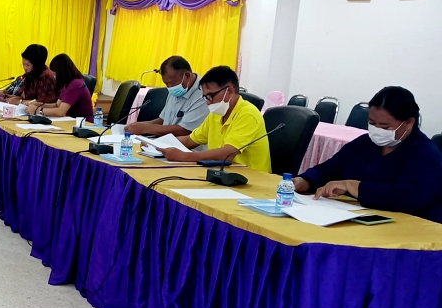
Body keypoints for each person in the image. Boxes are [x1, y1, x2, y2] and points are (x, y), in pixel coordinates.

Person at [293, 86, 442, 222]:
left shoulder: (425, 154)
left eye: (385, 126)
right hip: (356, 217)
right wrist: (304, 181)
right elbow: (329, 169)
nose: (377, 130)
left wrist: (353, 186)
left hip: (411, 228)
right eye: (372, 123)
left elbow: (405, 197)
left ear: (409, 122)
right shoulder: (365, 143)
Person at [162, 65, 271, 173]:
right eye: (205, 97)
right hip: (221, 174)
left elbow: (228, 154)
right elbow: (190, 140)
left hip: (252, 179)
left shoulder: (248, 114)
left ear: (229, 91)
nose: (208, 102)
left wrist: (184, 156)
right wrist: (160, 144)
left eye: (210, 96)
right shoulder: (216, 114)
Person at [124, 55, 207, 137]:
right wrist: (139, 125)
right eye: (166, 84)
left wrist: (145, 128)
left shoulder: (204, 95)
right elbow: (163, 120)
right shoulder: (176, 89)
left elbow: (185, 130)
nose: (170, 87)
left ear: (187, 76)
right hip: (163, 140)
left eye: (172, 83)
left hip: (184, 144)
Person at [25, 54, 93, 121]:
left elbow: (60, 112)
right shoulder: (66, 84)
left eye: (55, 73)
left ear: (61, 72)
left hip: (84, 123)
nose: (54, 76)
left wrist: (38, 110)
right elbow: (57, 105)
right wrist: (38, 104)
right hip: (71, 120)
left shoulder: (75, 84)